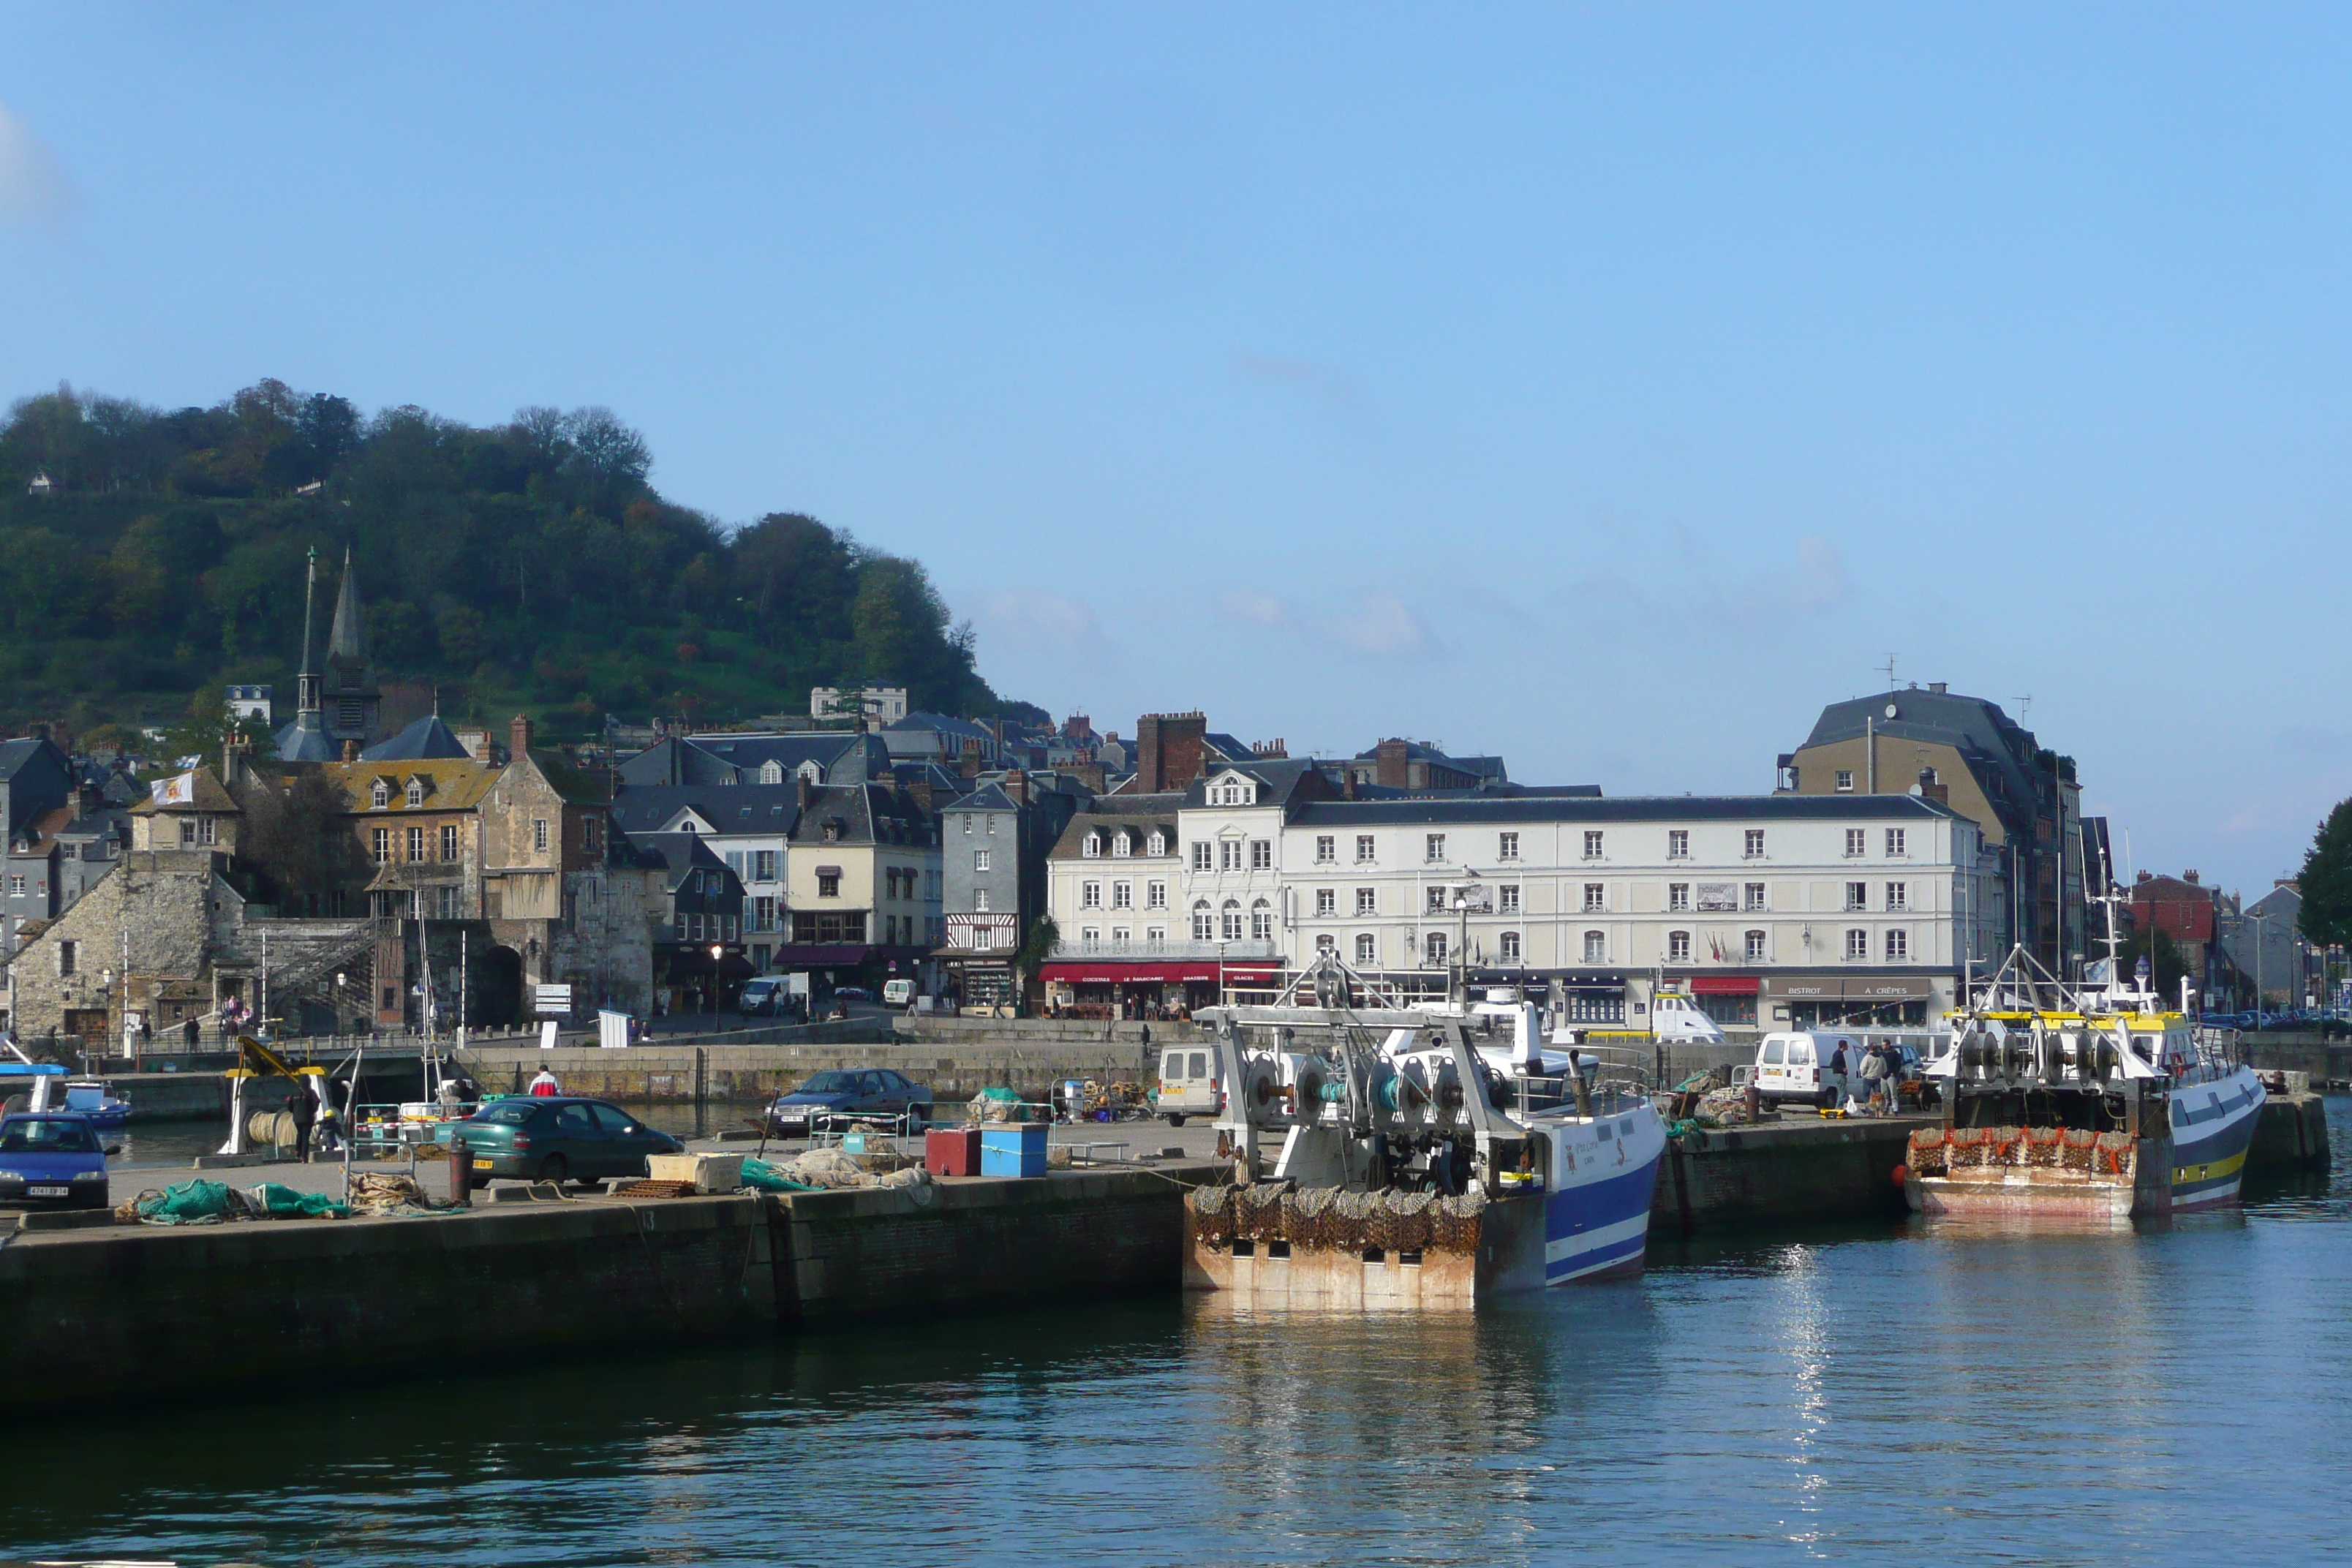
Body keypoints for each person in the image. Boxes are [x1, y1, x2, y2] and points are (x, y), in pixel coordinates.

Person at [287, 1085, 316, 1164]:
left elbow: (289, 1106)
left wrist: (295, 1112)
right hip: (307, 1118)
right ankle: (304, 1156)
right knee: (305, 1138)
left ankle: (297, 1150)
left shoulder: (293, 1093)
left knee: (299, 1134)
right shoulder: (310, 1093)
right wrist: (312, 1111)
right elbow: (316, 1102)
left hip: (297, 1119)